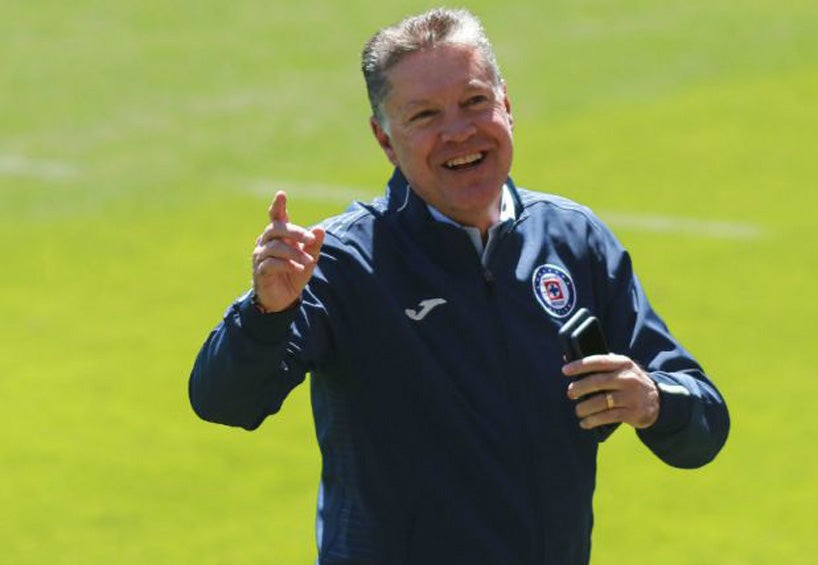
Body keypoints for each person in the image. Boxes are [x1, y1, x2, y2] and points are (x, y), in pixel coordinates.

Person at [189, 7, 729, 565]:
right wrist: (266, 312)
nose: (459, 132)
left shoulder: (572, 240)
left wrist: (653, 401)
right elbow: (223, 401)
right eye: (424, 115)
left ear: (507, 105)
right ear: (385, 138)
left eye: (474, 102)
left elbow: (704, 424)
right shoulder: (342, 262)